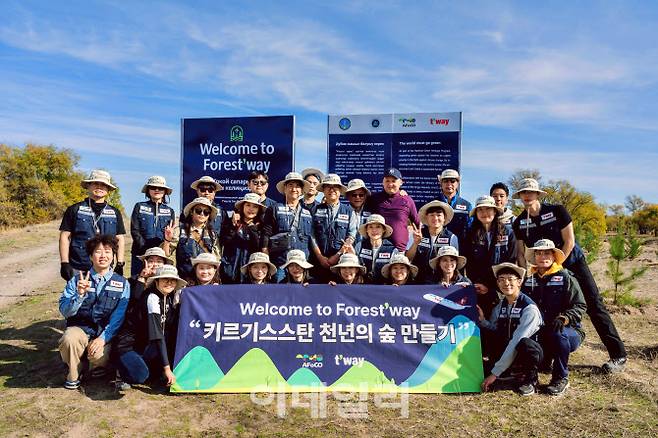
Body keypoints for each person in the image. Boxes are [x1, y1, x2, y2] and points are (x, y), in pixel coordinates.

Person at [512, 178, 627, 373]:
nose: (527, 195)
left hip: (572, 262)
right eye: (523, 192)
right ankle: (547, 355)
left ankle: (618, 355)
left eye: (531, 192)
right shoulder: (519, 222)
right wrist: (526, 274)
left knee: (594, 305)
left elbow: (569, 241)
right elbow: (521, 253)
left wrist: (558, 266)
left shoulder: (557, 211)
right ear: (520, 197)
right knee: (545, 309)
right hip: (543, 270)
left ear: (538, 194)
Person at [58, 234, 130, 390]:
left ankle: (94, 366)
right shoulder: (77, 280)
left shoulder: (123, 283)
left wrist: (103, 339)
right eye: (98, 251)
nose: (103, 255)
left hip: (103, 334)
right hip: (80, 330)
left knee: (98, 356)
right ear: (91, 256)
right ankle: (74, 373)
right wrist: (79, 295)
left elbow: (118, 318)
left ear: (114, 256)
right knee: (69, 339)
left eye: (108, 251)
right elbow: (65, 311)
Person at [522, 239, 586, 396]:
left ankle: (560, 378)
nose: (542, 256)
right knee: (525, 337)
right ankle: (530, 378)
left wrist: (564, 318)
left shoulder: (566, 277)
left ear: (554, 256)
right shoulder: (529, 280)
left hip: (568, 331)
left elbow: (580, 306)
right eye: (538, 253)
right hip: (540, 331)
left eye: (547, 253)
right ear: (534, 256)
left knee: (559, 334)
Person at [113, 265, 187, 390]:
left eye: (172, 280)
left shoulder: (169, 298)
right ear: (156, 281)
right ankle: (120, 371)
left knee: (155, 375)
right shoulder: (152, 298)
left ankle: (144, 365)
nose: (169, 282)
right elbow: (158, 336)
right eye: (165, 279)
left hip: (147, 345)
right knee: (140, 376)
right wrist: (167, 368)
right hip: (128, 346)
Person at [478, 262, 543, 396]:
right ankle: (510, 373)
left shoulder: (529, 308)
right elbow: (494, 328)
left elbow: (517, 341)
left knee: (525, 344)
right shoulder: (501, 306)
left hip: (527, 353)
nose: (506, 283)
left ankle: (530, 380)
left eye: (510, 279)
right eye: (501, 280)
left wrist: (494, 374)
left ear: (519, 282)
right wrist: (483, 321)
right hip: (508, 351)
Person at [59, 169, 126, 280]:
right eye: (95, 183)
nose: (99, 187)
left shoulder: (115, 212)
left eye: (103, 185)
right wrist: (64, 263)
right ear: (88, 186)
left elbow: (120, 238)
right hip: (78, 266)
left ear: (108, 189)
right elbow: (64, 236)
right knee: (78, 297)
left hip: (105, 268)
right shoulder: (74, 209)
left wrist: (120, 263)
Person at [463, 195, 517, 318]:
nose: (484, 213)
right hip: (478, 288)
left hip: (502, 288)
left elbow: (511, 262)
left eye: (488, 209)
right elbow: (468, 263)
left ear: (495, 211)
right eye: (480, 210)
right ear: (476, 213)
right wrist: (479, 285)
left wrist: (494, 288)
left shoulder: (508, 232)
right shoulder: (470, 234)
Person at [262, 172, 314, 282]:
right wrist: (266, 259)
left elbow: (312, 239)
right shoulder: (274, 208)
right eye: (290, 185)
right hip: (280, 262)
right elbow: (266, 234)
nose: (294, 189)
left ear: (302, 190)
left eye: (298, 186)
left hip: (301, 264)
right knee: (279, 292)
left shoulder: (308, 212)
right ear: (285, 188)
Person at [162, 197, 220, 283]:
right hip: (184, 280)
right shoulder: (179, 231)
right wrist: (167, 240)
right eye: (198, 210)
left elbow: (217, 259)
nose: (202, 214)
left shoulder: (213, 235)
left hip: (206, 281)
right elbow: (167, 256)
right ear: (191, 212)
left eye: (206, 212)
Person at [310, 174, 357, 280]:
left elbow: (351, 235)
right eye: (328, 187)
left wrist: (337, 255)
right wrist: (320, 257)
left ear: (340, 190)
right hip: (317, 262)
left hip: (340, 264)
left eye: (335, 187)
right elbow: (311, 235)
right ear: (323, 190)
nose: (332, 190)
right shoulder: (315, 209)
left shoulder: (349, 211)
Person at [130, 176, 176, 276]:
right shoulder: (139, 206)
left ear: (165, 191)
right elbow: (134, 230)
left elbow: (169, 235)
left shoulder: (170, 211)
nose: (157, 190)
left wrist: (160, 252)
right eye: (153, 187)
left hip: (160, 256)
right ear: (148, 190)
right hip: (140, 253)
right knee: (138, 281)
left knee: (159, 282)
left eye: (160, 188)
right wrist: (145, 249)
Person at [365, 168, 420, 251]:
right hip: (378, 250)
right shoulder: (373, 199)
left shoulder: (407, 200)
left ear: (401, 182)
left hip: (400, 250)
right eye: (387, 181)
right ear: (383, 182)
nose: (390, 184)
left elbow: (417, 223)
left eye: (393, 181)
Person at [406, 200, 459, 284]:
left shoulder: (452, 238)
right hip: (417, 281)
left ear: (444, 217)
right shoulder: (416, 234)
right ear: (426, 217)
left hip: (439, 283)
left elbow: (454, 264)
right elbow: (408, 258)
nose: (435, 218)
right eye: (432, 215)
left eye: (439, 215)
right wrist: (415, 243)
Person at [220, 193, 267, 284]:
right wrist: (233, 226)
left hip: (252, 274)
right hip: (230, 272)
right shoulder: (231, 222)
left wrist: (253, 229)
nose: (251, 209)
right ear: (242, 207)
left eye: (255, 206)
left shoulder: (262, 226)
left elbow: (260, 246)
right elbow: (224, 241)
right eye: (248, 205)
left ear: (259, 210)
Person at [352, 214, 399, 284]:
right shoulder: (359, 246)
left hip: (384, 287)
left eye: (378, 227)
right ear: (367, 230)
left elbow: (394, 272)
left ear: (383, 230)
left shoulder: (392, 249)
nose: (374, 230)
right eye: (370, 227)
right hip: (362, 287)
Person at [436, 169, 472, 241]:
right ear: (441, 183)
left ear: (458, 183)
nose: (449, 184)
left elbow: (471, 228)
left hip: (460, 247)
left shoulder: (467, 205)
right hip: (438, 247)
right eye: (445, 181)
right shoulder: (433, 204)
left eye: (452, 181)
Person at [345, 178, 372, 246]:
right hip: (345, 252)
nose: (358, 197)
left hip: (366, 252)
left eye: (361, 195)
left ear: (365, 196)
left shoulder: (372, 213)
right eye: (354, 195)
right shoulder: (342, 211)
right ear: (348, 196)